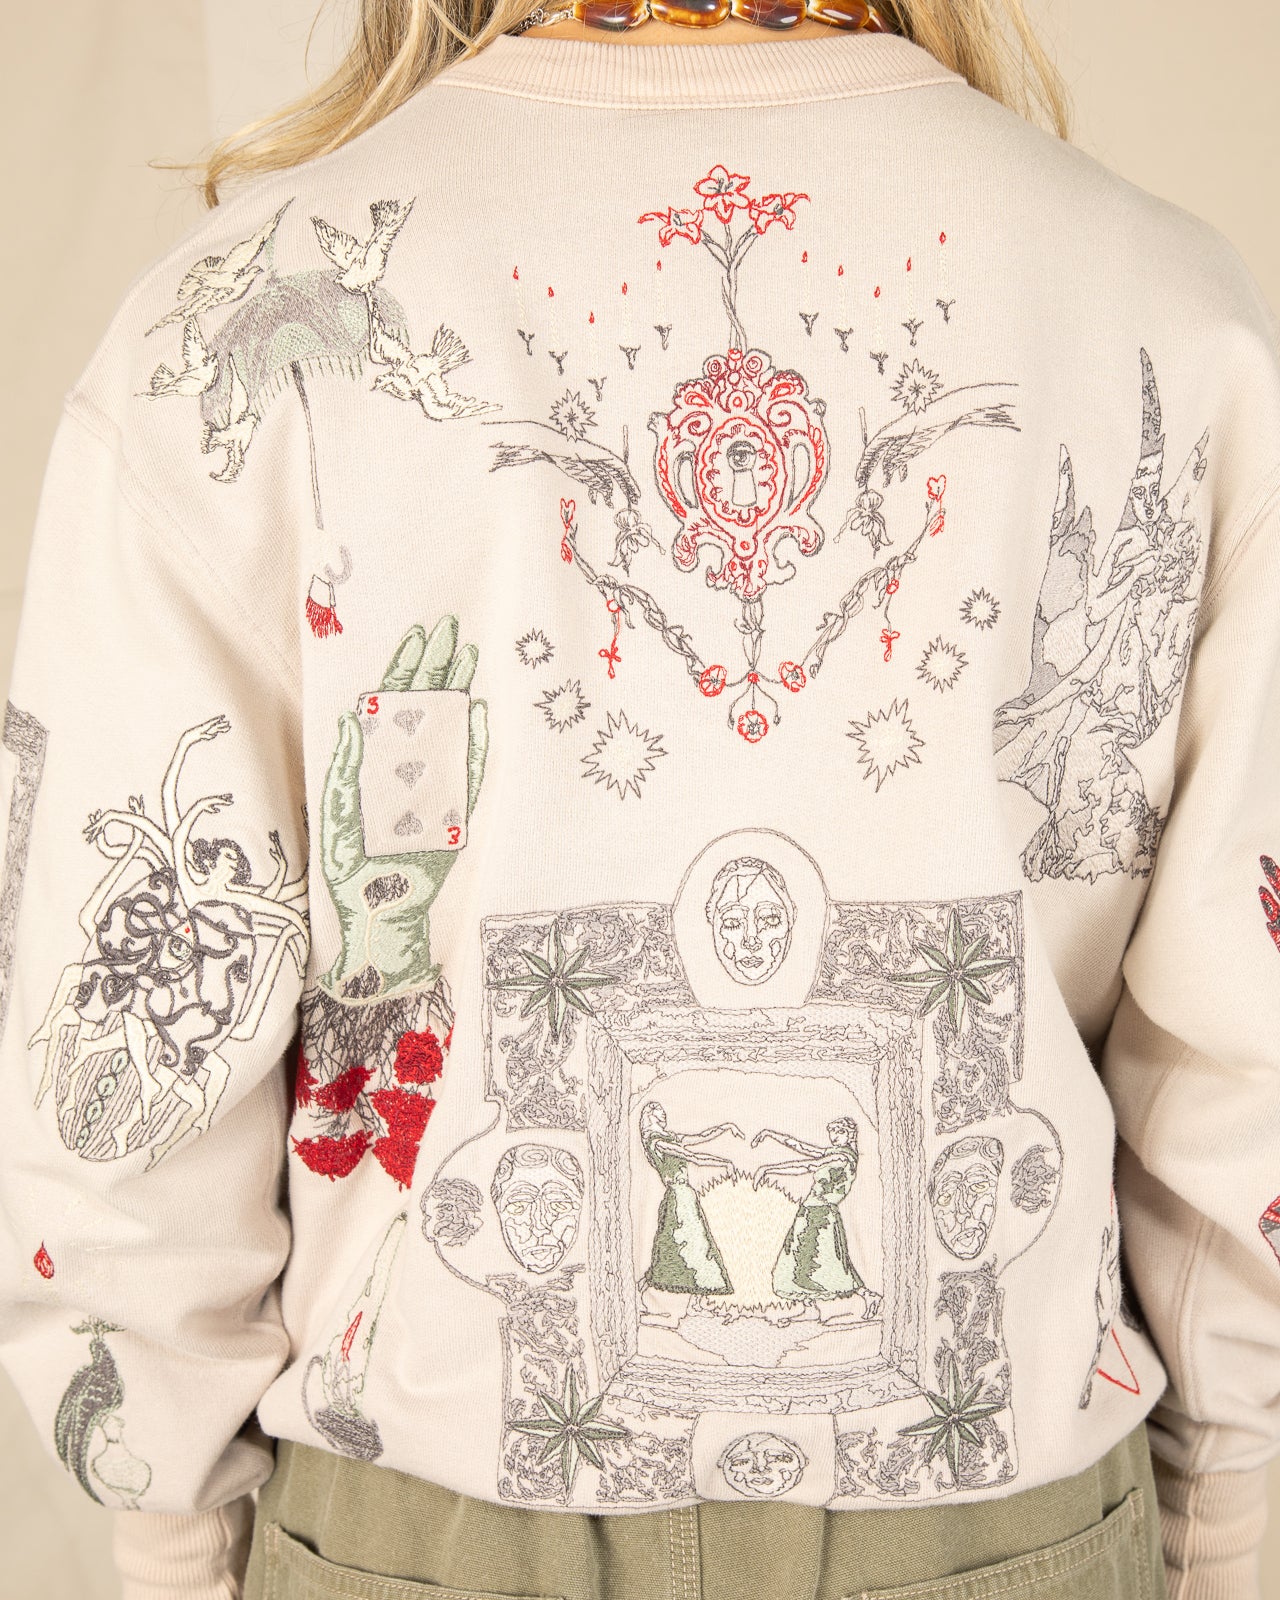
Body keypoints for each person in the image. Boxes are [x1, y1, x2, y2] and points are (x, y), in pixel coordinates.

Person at [0, 2, 1276, 1599]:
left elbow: (124, 1064)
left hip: (417, 1538)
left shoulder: (225, 333)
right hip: (1012, 1527)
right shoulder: (1158, 304)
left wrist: (172, 1532)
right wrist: (1222, 1526)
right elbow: (1247, 1052)